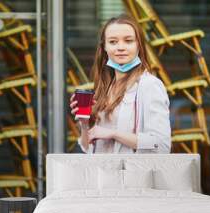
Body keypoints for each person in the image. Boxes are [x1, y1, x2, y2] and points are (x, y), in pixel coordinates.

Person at [70, 14, 171, 154]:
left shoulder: (150, 85)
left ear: (139, 46)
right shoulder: (105, 87)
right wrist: (85, 123)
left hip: (131, 174)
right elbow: (87, 148)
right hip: (103, 173)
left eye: (128, 41)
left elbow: (161, 145)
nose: (120, 47)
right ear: (104, 47)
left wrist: (113, 134)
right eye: (113, 42)